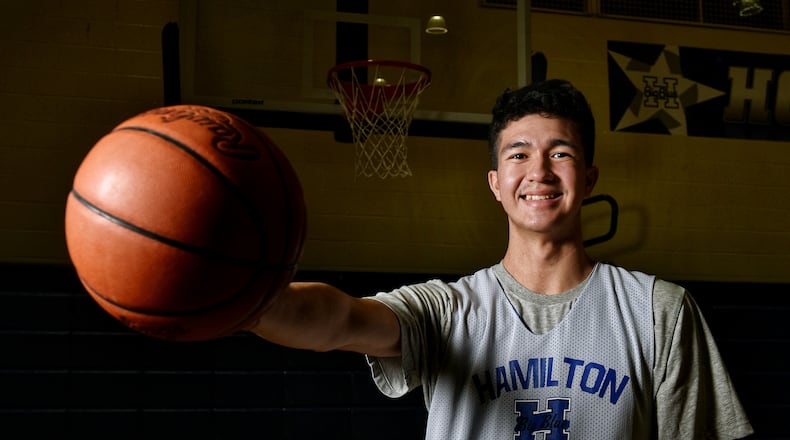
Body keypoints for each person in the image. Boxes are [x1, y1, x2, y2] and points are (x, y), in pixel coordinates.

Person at [243, 79, 754, 439]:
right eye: (518, 154)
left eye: (561, 153)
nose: (540, 172)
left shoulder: (659, 311)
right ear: (495, 184)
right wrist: (246, 300)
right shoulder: (446, 311)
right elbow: (338, 319)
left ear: (590, 178)